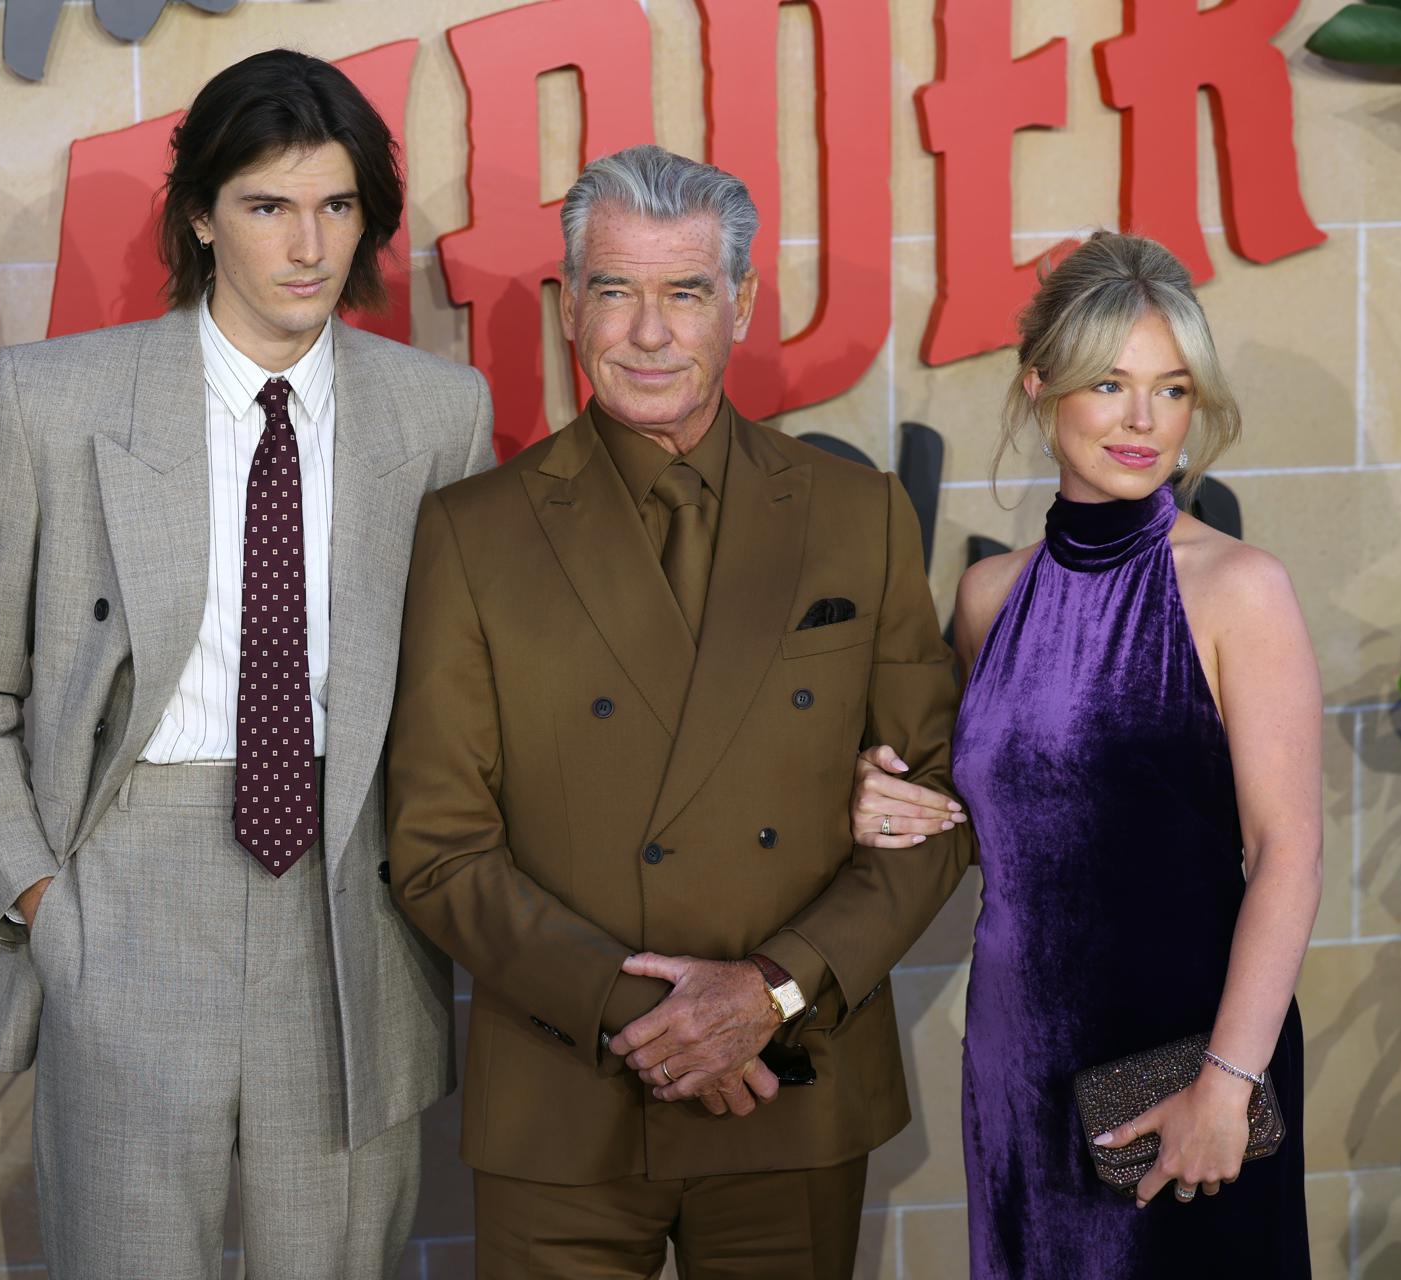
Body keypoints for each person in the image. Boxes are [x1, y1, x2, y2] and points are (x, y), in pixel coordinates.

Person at [0, 49, 493, 1280]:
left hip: (352, 897)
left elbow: (467, 684)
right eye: (268, 205)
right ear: (199, 215)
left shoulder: (440, 413)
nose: (308, 245)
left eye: (337, 206)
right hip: (125, 894)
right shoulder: (57, 400)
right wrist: (40, 898)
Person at [384, 143, 974, 1279]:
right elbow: (437, 847)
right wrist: (642, 1013)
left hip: (792, 1082)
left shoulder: (858, 513)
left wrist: (774, 989)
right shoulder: (473, 532)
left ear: (741, 304)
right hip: (564, 1096)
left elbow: (935, 802)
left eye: (685, 291)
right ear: (571, 306)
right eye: (616, 290)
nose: (648, 332)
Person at [852, 231, 1319, 1277]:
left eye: (1172, 387)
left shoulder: (1238, 586)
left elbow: (1288, 850)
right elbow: (1023, 815)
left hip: (1190, 1053)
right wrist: (886, 799)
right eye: (1111, 383)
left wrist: (1227, 1083)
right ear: (1041, 383)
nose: (1145, 420)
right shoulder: (988, 596)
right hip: (1019, 1056)